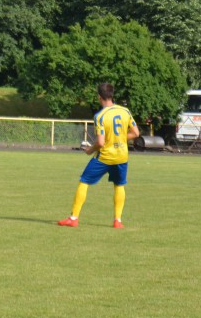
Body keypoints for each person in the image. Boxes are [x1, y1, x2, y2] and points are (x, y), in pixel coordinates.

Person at [58, 82, 140, 229]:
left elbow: (101, 143)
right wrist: (119, 139)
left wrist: (90, 150)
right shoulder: (125, 111)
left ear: (99, 97)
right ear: (112, 95)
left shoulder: (100, 116)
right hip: (122, 155)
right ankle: (117, 221)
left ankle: (73, 218)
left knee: (84, 181)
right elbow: (136, 133)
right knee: (119, 185)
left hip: (105, 157)